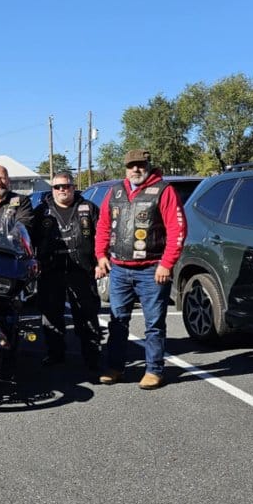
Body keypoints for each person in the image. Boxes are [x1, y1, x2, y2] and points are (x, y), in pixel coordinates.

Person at [94, 149, 188, 390]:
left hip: (152, 269)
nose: (136, 169)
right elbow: (104, 225)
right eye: (131, 165)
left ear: (148, 165)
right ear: (125, 168)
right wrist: (101, 256)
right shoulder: (114, 192)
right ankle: (114, 367)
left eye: (140, 165)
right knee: (117, 322)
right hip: (118, 270)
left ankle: (154, 370)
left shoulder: (164, 191)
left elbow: (177, 230)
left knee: (154, 323)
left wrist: (166, 263)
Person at [30, 172, 101, 373]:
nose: (62, 190)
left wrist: (99, 262)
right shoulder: (41, 212)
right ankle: (55, 353)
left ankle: (92, 355)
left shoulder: (88, 209)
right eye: (57, 187)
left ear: (73, 187)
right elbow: (29, 240)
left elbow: (102, 237)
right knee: (51, 315)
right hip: (51, 270)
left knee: (87, 314)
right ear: (52, 189)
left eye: (66, 186)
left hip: (82, 270)